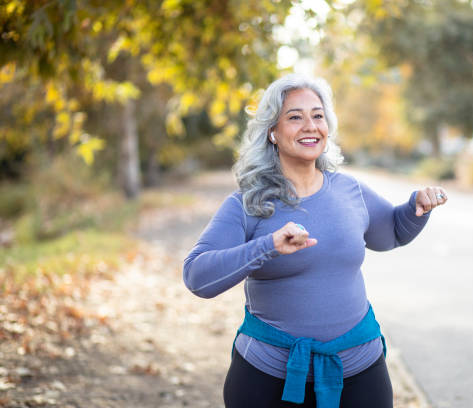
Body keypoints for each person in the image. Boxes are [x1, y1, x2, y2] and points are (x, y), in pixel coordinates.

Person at [183, 73, 448, 408]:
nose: (310, 125)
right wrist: (267, 247)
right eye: (295, 117)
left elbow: (392, 232)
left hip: (360, 370)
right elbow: (197, 277)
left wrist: (415, 209)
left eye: (318, 115)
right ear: (272, 132)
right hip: (268, 377)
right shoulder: (247, 203)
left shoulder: (349, 190)